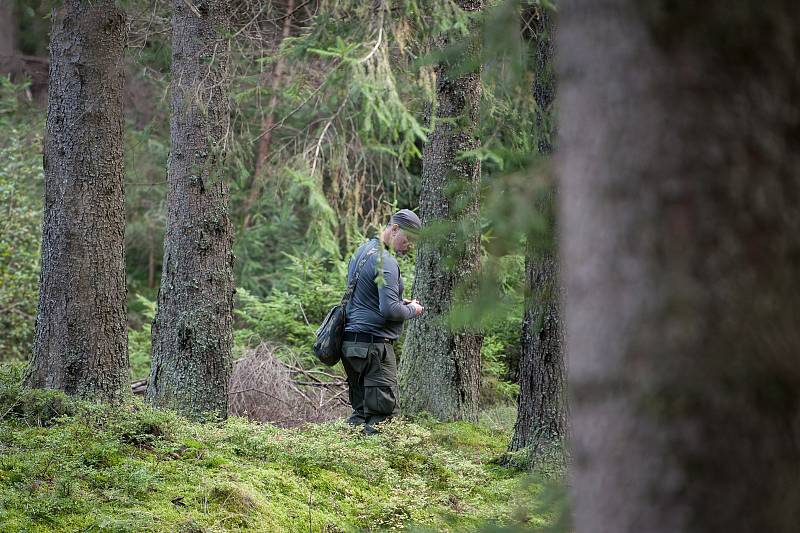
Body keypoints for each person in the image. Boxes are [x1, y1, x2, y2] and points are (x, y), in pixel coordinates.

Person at [342, 209, 424, 433]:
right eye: (409, 239)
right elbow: (390, 311)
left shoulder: (364, 250)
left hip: (351, 345)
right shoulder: (385, 261)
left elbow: (365, 295)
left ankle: (345, 458)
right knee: (382, 416)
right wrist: (413, 309)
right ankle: (371, 466)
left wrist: (399, 300)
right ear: (395, 229)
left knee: (361, 413)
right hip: (374, 348)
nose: (410, 245)